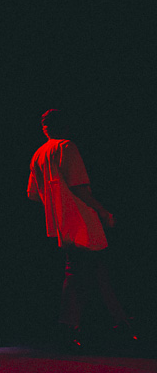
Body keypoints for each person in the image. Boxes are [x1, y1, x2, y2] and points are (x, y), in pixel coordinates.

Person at [26, 108, 135, 350]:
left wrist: (54, 203)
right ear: (64, 126)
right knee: (83, 274)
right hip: (81, 221)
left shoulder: (38, 155)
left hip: (63, 226)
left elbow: (33, 195)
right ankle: (74, 328)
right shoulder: (66, 147)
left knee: (90, 272)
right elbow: (79, 187)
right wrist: (103, 212)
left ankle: (119, 324)